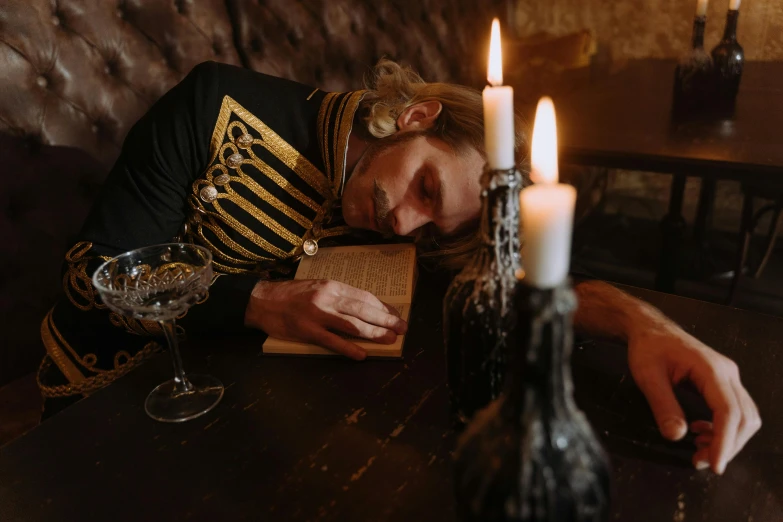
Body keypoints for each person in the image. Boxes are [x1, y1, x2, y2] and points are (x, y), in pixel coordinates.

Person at [39, 59, 759, 475]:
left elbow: (512, 284)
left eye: (431, 221)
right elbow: (91, 277)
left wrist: (643, 321)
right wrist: (258, 300)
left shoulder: (419, 217)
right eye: (424, 187)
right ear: (415, 119)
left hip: (257, 428)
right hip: (116, 413)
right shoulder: (210, 103)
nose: (404, 222)